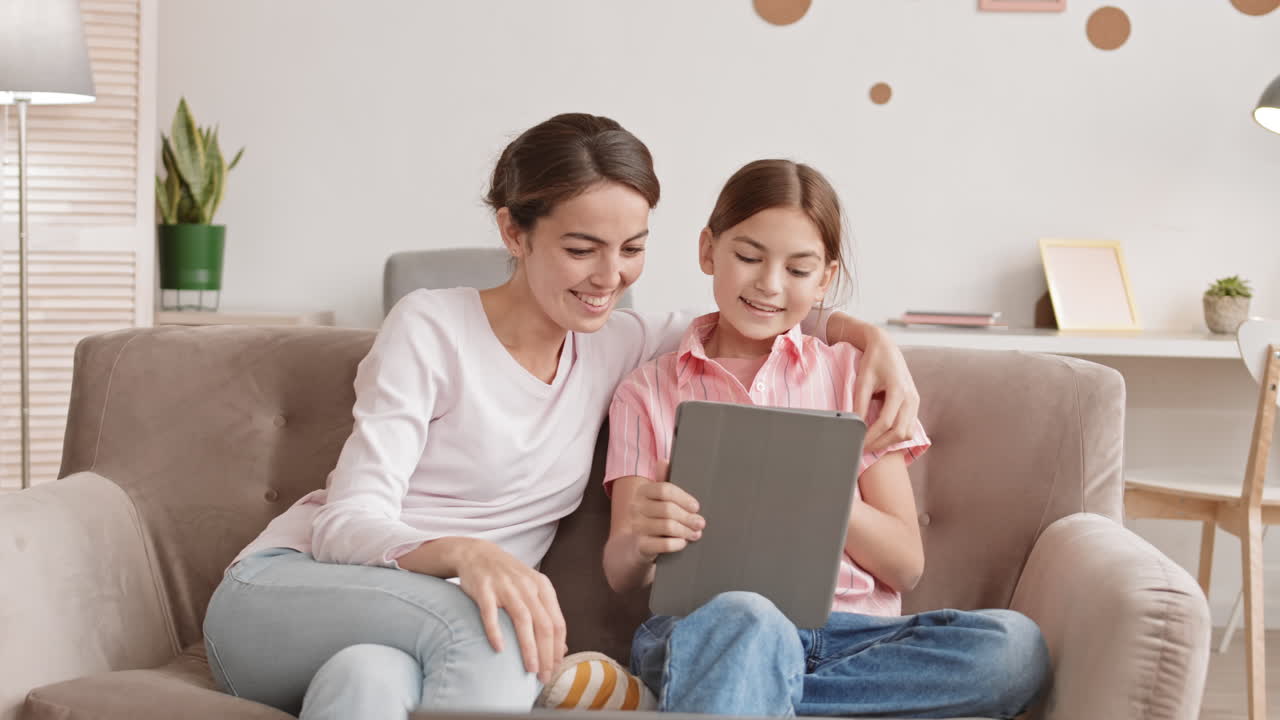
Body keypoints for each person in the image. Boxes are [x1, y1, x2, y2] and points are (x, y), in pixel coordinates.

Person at [201, 115, 923, 720]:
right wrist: (467, 552)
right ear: (514, 232)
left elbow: (763, 313)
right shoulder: (430, 325)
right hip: (291, 590)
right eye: (582, 249)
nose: (610, 277)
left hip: (401, 637)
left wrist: (869, 339)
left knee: (367, 683)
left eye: (632, 250)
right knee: (504, 634)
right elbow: (344, 523)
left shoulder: (618, 343)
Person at [599, 159, 1050, 718]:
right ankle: (743, 685)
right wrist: (643, 539)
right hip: (712, 628)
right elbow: (622, 572)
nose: (769, 284)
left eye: (798, 269)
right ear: (708, 250)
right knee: (748, 617)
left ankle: (749, 696)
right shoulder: (649, 390)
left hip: (850, 641)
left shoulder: (852, 375)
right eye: (748, 257)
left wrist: (817, 489)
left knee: (1014, 651)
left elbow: (905, 565)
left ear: (825, 279)